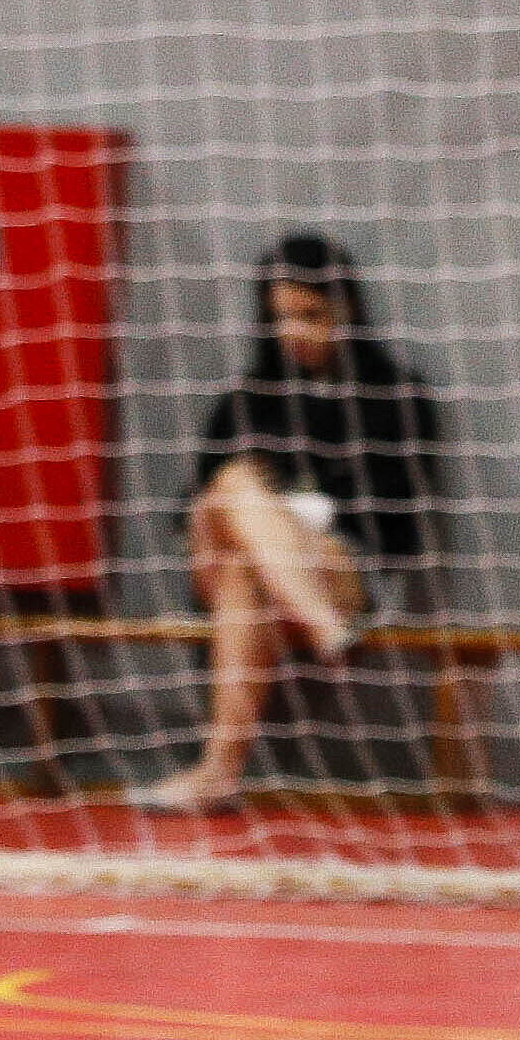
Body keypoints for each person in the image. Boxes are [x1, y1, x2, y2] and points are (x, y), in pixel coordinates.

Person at [133, 233, 440, 812]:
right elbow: (191, 511)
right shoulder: (247, 399)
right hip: (229, 559)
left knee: (246, 572)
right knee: (231, 486)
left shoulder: (394, 397)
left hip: (343, 570)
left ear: (345, 309)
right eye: (282, 318)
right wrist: (263, 513)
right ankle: (324, 632)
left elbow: (394, 531)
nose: (295, 331)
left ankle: (217, 775)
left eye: (311, 315)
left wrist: (300, 521)